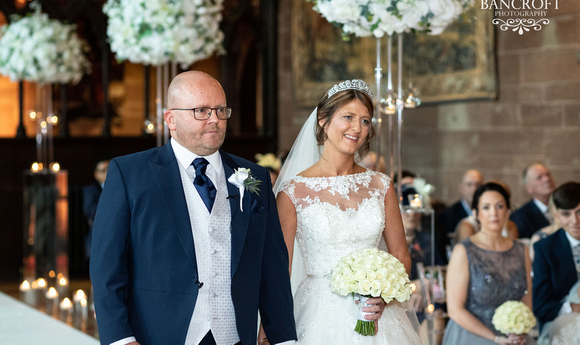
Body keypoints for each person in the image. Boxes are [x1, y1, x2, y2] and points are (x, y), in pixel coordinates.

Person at [90, 71, 297, 345]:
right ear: (170, 119)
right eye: (201, 110)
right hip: (157, 336)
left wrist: (282, 337)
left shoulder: (253, 176)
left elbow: (272, 267)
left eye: (221, 110)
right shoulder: (129, 173)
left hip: (233, 335)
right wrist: (120, 338)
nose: (215, 119)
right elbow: (106, 267)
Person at [271, 79, 422, 344]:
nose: (357, 128)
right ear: (323, 120)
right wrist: (271, 326)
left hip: (378, 316)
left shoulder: (381, 185)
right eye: (348, 117)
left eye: (365, 121)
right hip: (318, 315)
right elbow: (279, 269)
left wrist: (384, 295)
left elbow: (400, 255)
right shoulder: (293, 191)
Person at [442, 182, 534, 345]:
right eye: (486, 207)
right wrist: (495, 339)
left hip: (512, 335)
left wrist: (520, 330)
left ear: (508, 211)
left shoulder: (522, 250)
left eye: (500, 206)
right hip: (472, 334)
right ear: (476, 213)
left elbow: (526, 297)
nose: (494, 213)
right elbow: (455, 310)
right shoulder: (464, 251)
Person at [533, 182, 580, 344]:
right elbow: (540, 307)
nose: (575, 220)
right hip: (563, 324)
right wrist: (572, 307)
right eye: (566, 214)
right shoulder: (545, 249)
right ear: (557, 216)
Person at [510, 163, 556, 238]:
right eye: (539, 177)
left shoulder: (566, 207)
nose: (547, 179)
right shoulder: (520, 217)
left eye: (548, 174)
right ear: (529, 188)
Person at [439, 169, 484, 240]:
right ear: (461, 188)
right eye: (469, 184)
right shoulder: (447, 215)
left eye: (478, 185)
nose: (474, 189)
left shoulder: (489, 213)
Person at [82, 157, 109, 260]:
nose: (107, 173)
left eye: (110, 169)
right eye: (103, 170)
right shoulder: (90, 190)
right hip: (97, 235)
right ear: (96, 174)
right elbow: (90, 211)